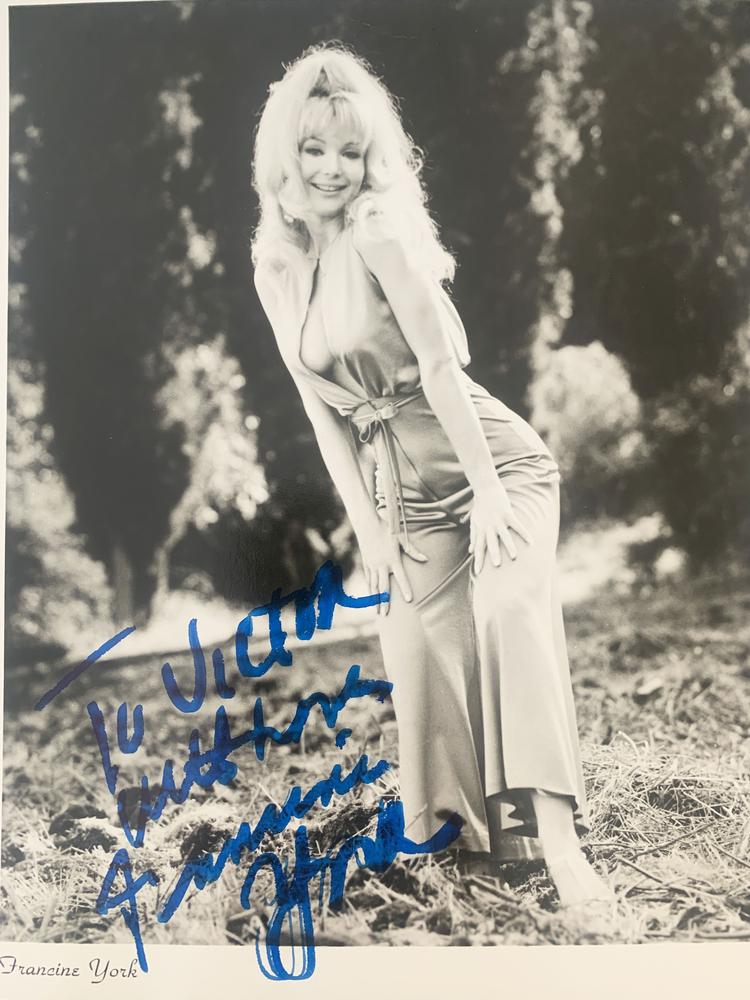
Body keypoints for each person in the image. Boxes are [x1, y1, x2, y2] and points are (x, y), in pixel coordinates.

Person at [251, 41, 617, 920]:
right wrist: (371, 533)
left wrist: (487, 490)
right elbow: (324, 417)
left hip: (494, 465)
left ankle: (559, 844)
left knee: (506, 612)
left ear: (370, 157)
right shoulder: (276, 266)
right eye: (313, 148)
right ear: (284, 155)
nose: (332, 168)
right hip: (402, 497)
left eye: (349, 151)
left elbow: (443, 373)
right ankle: (471, 847)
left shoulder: (379, 236)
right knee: (416, 650)